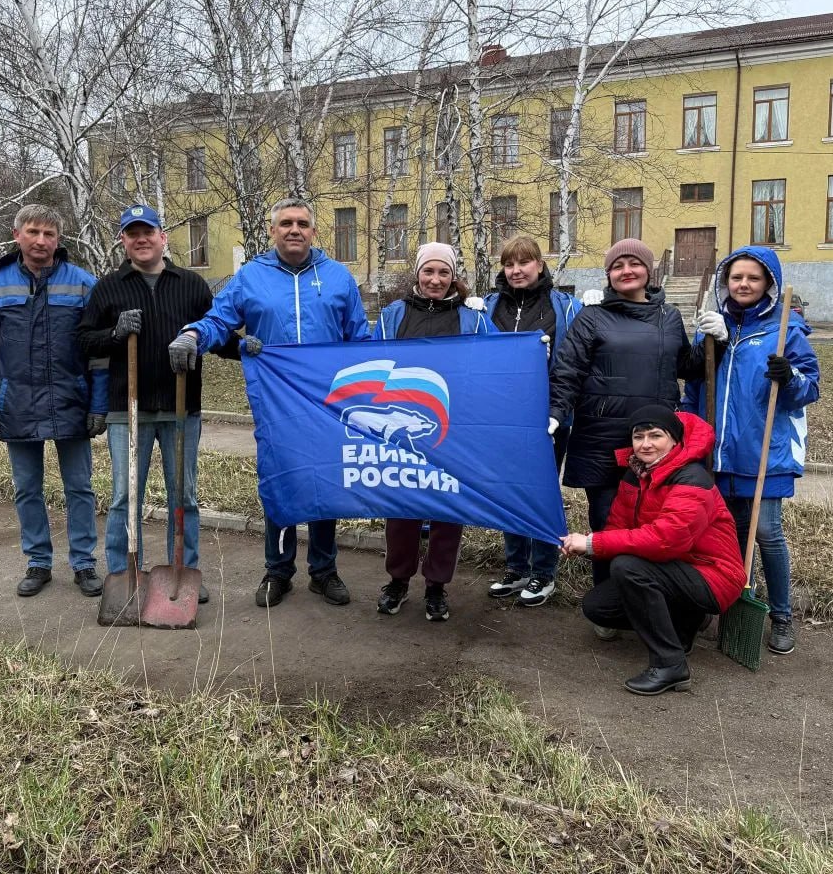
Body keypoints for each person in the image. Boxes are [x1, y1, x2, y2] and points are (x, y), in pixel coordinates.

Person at [172, 197, 370, 609]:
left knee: (323, 481)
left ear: (314, 231)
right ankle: (278, 570)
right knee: (280, 480)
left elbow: (360, 339)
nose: (294, 229)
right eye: (285, 223)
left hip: (328, 402)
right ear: (272, 230)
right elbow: (218, 320)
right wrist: (193, 335)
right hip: (276, 400)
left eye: (301, 223)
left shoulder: (337, 277)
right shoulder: (251, 277)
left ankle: (324, 570)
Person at [547, 238, 715, 639]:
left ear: (648, 271)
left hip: (656, 444)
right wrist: (556, 412)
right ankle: (609, 604)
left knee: (655, 523)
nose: (626, 271)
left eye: (634, 264)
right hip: (604, 439)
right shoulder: (591, 318)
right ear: (608, 274)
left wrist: (714, 341)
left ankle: (649, 598)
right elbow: (568, 369)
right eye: (617, 265)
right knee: (607, 522)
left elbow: (689, 368)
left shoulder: (669, 318)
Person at [76, 204, 238, 605]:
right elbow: (82, 340)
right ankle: (123, 573)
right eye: (132, 233)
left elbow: (214, 333)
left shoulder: (191, 285)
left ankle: (183, 571)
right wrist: (114, 333)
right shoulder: (109, 287)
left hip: (182, 409)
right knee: (124, 497)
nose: (142, 239)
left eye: (148, 231)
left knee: (184, 495)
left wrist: (249, 347)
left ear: (164, 237)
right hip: (126, 411)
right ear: (124, 242)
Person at [681, 245, 820, 656]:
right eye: (736, 277)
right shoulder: (712, 326)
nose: (743, 284)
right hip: (718, 453)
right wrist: (689, 438)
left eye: (753, 278)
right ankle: (730, 600)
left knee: (766, 533)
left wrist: (790, 376)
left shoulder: (785, 329)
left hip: (764, 452)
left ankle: (781, 616)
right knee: (726, 535)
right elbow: (694, 387)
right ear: (727, 282)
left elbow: (809, 388)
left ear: (769, 285)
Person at [0, 204, 108, 598]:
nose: (41, 241)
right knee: (27, 488)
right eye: (33, 232)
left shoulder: (83, 284)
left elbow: (99, 353)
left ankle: (84, 563)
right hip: (18, 404)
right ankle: (38, 562)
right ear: (17, 235)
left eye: (49, 234)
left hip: (71, 401)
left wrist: (98, 404)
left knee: (79, 487)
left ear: (59, 240)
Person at [560, 406, 745, 696]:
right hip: (673, 570)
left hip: (713, 576)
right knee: (597, 607)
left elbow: (666, 540)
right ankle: (687, 622)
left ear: (674, 440)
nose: (646, 444)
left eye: (656, 435)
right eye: (638, 436)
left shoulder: (691, 479)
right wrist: (585, 545)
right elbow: (617, 526)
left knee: (627, 567)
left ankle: (671, 665)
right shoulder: (636, 474)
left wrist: (595, 544)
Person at [373, 242, 492, 621]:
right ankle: (398, 580)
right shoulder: (394, 315)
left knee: (447, 507)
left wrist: (532, 351)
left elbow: (493, 365)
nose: (436, 280)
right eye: (429, 272)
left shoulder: (472, 318)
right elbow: (374, 360)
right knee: (402, 507)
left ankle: (437, 586)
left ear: (454, 277)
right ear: (418, 275)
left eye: (444, 273)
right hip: (403, 422)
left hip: (453, 426)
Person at [482, 234, 581, 608]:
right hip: (501, 418)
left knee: (541, 491)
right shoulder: (489, 307)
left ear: (540, 265)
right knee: (508, 490)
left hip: (548, 417)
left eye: (524, 262)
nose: (516, 270)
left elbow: (571, 364)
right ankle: (516, 567)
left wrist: (560, 410)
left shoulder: (562, 307)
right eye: (509, 264)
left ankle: (544, 572)